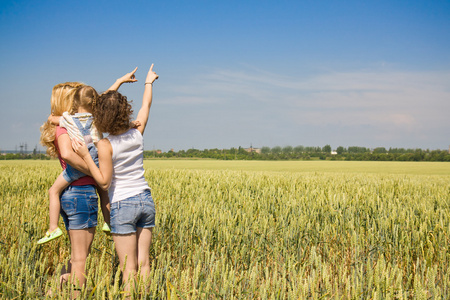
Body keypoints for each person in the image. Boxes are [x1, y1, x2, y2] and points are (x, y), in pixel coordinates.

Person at [39, 69, 138, 292]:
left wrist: (119, 82)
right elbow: (67, 154)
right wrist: (96, 171)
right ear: (68, 101)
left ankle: (55, 290)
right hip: (81, 195)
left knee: (77, 258)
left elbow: (99, 99)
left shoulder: (67, 123)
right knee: (81, 260)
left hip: (71, 195)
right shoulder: (65, 128)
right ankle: (73, 295)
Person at [72, 64, 159, 293]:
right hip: (146, 200)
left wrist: (84, 156)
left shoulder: (104, 144)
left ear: (99, 116)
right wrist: (148, 81)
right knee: (144, 263)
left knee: (128, 267)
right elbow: (146, 105)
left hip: (123, 203)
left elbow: (103, 182)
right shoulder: (137, 132)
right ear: (125, 111)